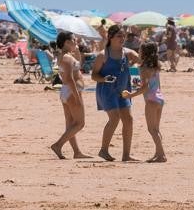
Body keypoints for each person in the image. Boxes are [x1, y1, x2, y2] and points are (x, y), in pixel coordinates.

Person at [91, 24, 138, 161]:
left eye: (123, 35)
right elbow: (94, 75)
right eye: (119, 36)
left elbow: (138, 59)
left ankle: (126, 155)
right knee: (114, 118)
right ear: (110, 37)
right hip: (106, 91)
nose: (122, 38)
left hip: (123, 90)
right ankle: (103, 150)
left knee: (128, 120)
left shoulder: (127, 53)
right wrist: (104, 79)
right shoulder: (103, 55)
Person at [122, 42, 167, 162]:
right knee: (156, 130)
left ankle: (161, 155)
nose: (139, 52)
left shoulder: (143, 68)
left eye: (140, 51)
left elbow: (145, 87)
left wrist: (131, 95)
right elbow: (156, 85)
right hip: (159, 99)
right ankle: (158, 154)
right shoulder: (156, 66)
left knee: (152, 130)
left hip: (151, 100)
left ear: (144, 53)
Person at [50, 31, 91, 159]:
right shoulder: (67, 58)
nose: (76, 42)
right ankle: (58, 145)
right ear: (67, 42)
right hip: (72, 92)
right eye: (74, 40)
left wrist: (77, 53)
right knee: (80, 123)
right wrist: (77, 97)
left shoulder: (65, 56)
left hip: (66, 92)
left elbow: (77, 66)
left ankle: (77, 152)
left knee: (71, 124)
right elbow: (69, 79)